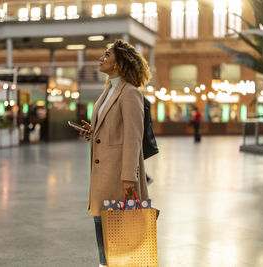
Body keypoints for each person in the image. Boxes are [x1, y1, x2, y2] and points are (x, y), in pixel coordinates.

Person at [77, 39, 151, 267]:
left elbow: (133, 137)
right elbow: (110, 130)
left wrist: (130, 175)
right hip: (103, 174)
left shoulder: (130, 93)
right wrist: (92, 132)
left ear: (118, 63)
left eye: (107, 55)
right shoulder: (108, 90)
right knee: (102, 225)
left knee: (117, 230)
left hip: (119, 175)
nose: (101, 58)